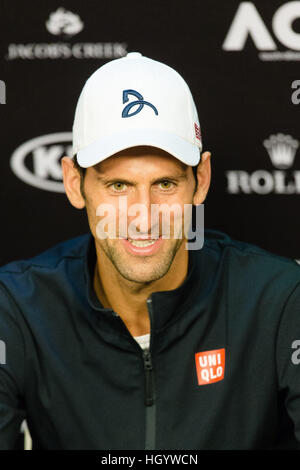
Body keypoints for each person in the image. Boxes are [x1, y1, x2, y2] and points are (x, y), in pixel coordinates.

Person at [0, 52, 300, 451]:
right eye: (118, 186)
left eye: (164, 185)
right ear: (74, 183)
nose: (143, 219)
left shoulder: (280, 298)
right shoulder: (19, 308)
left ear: (202, 179)